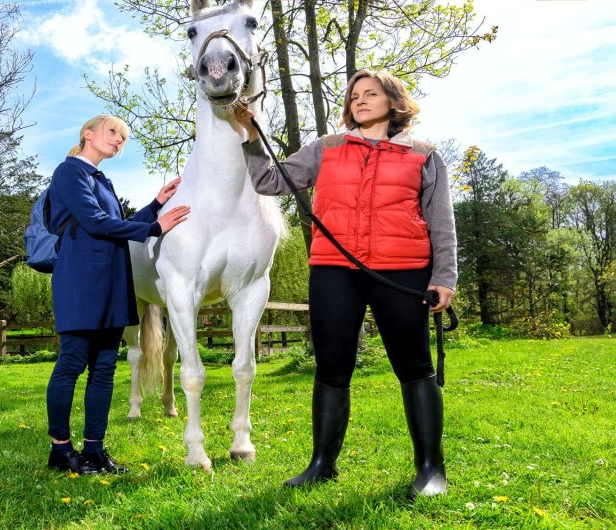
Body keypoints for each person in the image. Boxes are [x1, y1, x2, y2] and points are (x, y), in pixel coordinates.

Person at [232, 69, 457, 499]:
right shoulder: (327, 147)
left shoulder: (424, 155)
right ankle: (322, 464)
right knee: (332, 367)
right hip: (334, 270)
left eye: (371, 94)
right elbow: (270, 180)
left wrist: (444, 276)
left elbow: (441, 221)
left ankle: (431, 469)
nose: (360, 101)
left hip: (402, 270)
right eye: (355, 96)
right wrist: (250, 136)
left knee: (414, 367)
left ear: (394, 101)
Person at [45, 114, 191, 475]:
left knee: (105, 369)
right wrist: (156, 227)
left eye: (123, 138)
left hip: (112, 281)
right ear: (87, 134)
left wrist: (156, 204)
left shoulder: (102, 180)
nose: (119, 140)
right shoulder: (69, 172)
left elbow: (119, 226)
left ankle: (94, 449)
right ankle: (61, 450)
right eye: (113, 132)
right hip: (81, 281)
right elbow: (95, 222)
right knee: (72, 363)